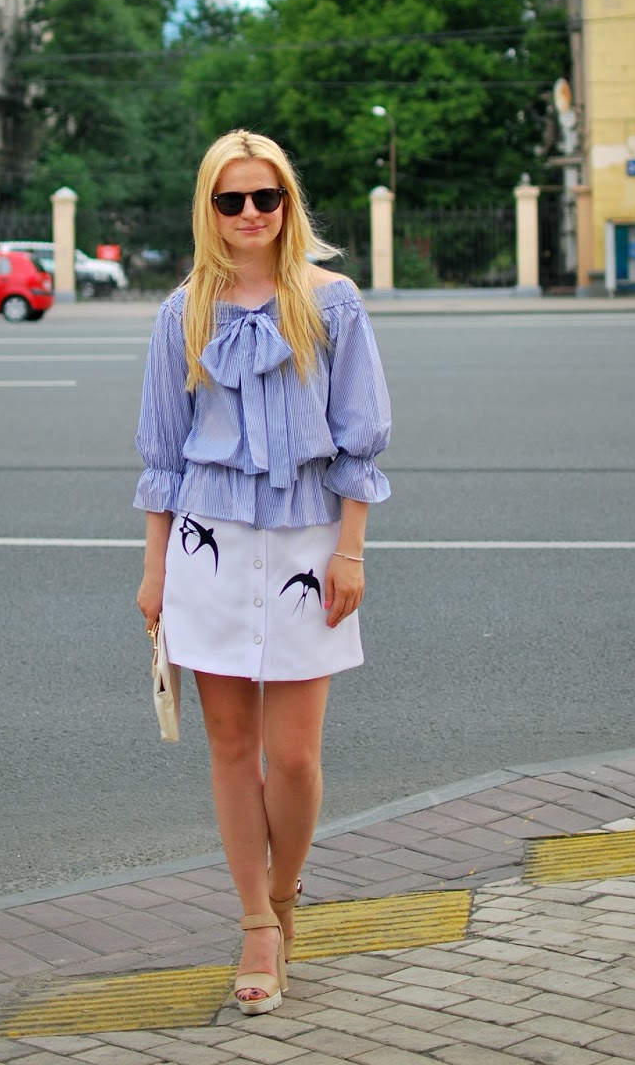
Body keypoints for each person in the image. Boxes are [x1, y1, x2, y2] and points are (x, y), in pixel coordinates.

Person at [134, 129, 391, 1016]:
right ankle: (253, 923)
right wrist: (154, 574)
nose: (250, 213)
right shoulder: (182, 312)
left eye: (265, 196)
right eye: (230, 200)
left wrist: (351, 549)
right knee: (229, 745)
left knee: (295, 756)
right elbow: (162, 457)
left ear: (287, 203)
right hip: (206, 542)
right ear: (208, 210)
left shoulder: (333, 303)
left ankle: (285, 899)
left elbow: (360, 438)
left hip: (306, 545)